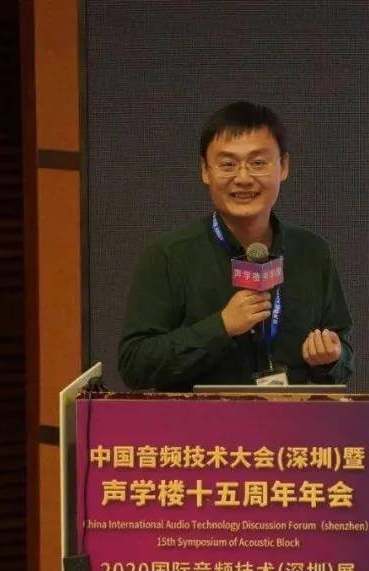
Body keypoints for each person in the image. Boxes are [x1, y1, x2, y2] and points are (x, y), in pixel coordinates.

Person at [117, 101, 354, 390]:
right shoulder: (169, 256)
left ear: (284, 167)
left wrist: (329, 359)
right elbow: (135, 365)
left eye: (258, 163)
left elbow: (343, 357)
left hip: (290, 418)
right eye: (228, 164)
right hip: (198, 419)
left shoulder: (311, 252)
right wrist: (222, 327)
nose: (243, 178)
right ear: (205, 170)